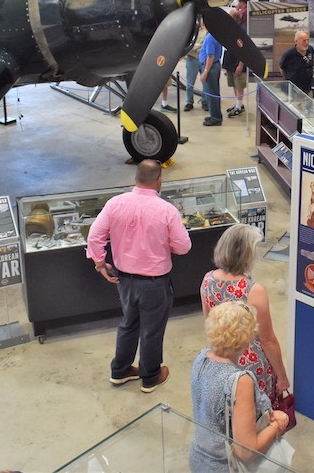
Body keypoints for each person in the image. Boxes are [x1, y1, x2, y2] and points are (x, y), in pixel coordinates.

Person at [87, 160, 192, 393]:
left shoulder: (115, 203)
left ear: (136, 178)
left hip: (124, 280)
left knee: (128, 322)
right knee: (152, 330)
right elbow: (183, 247)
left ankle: (121, 370)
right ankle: (150, 376)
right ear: (158, 181)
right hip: (155, 283)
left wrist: (100, 264)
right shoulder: (167, 210)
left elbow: (94, 236)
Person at [189, 301, 291, 472]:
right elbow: (245, 450)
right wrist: (277, 425)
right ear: (248, 337)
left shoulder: (201, 359)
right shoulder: (240, 381)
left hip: (199, 460)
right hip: (226, 467)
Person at [200, 225, 289, 404]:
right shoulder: (253, 291)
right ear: (247, 254)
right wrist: (282, 377)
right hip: (250, 364)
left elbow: (209, 324)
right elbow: (267, 340)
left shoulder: (208, 279)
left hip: (221, 358)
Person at [222, 9, 248, 118]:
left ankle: (239, 107)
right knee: (233, 83)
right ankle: (238, 104)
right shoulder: (229, 28)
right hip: (230, 60)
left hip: (238, 62)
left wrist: (241, 64)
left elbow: (244, 49)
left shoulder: (242, 30)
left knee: (239, 84)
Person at [198, 22, 224, 126]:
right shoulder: (216, 35)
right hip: (214, 66)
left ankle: (216, 118)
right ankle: (215, 115)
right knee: (213, 92)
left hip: (210, 67)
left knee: (211, 93)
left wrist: (205, 72)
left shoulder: (209, 37)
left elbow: (210, 56)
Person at [182, 22, 208, 111]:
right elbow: (187, 46)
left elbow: (206, 45)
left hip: (203, 60)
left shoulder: (207, 32)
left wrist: (197, 46)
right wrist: (198, 46)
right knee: (189, 83)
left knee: (205, 83)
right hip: (192, 59)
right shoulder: (191, 32)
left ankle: (205, 101)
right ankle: (189, 102)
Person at [279, 30, 314, 94]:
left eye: (307, 40)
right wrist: (287, 79)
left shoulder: (310, 50)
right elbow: (281, 67)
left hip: (307, 88)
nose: (306, 43)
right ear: (296, 41)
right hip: (293, 89)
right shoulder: (289, 54)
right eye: (304, 41)